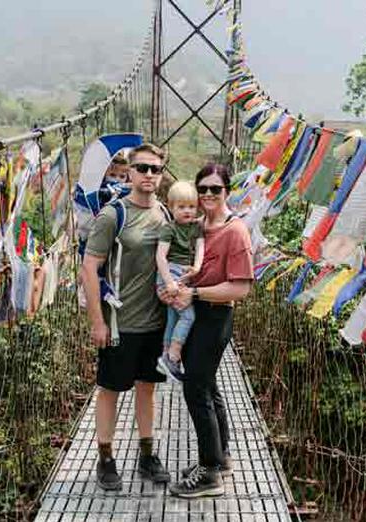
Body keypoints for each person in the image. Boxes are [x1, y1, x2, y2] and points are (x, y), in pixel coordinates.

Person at [81, 143, 172, 491]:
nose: (150, 175)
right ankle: (105, 457)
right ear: (130, 171)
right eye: (143, 168)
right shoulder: (112, 215)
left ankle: (147, 455)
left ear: (162, 175)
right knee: (110, 390)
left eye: (156, 169)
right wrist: (97, 321)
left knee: (147, 389)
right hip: (119, 323)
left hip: (155, 323)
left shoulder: (164, 213)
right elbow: (89, 268)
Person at [163, 163, 254, 499]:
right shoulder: (198, 226)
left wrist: (195, 293)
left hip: (215, 317)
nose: (208, 195)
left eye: (215, 189)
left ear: (227, 190)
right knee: (207, 386)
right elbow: (191, 270)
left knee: (195, 390)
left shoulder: (236, 231)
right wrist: (174, 286)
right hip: (196, 312)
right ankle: (221, 457)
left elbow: (240, 288)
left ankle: (209, 474)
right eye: (203, 190)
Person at [155, 181, 204, 380]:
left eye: (191, 207)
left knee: (174, 317)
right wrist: (169, 282)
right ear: (171, 207)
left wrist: (197, 267)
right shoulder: (169, 229)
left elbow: (200, 248)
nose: (187, 211)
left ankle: (165, 356)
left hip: (185, 275)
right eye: (181, 207)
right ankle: (174, 356)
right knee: (188, 316)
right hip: (169, 274)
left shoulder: (196, 227)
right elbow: (160, 256)